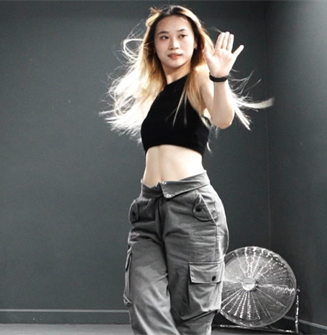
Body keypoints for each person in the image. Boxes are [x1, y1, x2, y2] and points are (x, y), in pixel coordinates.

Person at [102, 5, 271, 335]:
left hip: (192, 208)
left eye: (182, 36)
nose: (174, 44)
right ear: (154, 46)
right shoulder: (156, 95)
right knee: (143, 303)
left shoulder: (199, 78)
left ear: (195, 42)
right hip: (148, 209)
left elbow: (222, 118)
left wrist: (219, 76)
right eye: (164, 37)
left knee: (191, 319)